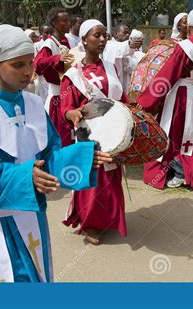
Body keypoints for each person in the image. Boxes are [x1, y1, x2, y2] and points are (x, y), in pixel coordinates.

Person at [0, 24, 112, 282]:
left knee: (40, 277)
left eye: (30, 63)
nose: (28, 72)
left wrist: (82, 159)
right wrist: (24, 176)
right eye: (17, 65)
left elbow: (50, 155)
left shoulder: (33, 103)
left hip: (31, 212)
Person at [61, 19, 127, 245]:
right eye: (96, 35)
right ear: (83, 40)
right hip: (88, 135)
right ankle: (90, 223)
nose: (102, 39)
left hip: (112, 131)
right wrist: (71, 114)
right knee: (94, 179)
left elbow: (121, 99)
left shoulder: (111, 67)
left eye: (104, 35)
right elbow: (66, 108)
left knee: (111, 177)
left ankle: (109, 219)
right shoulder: (73, 75)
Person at [137, 8, 193, 189]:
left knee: (172, 132)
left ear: (189, 24)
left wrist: (145, 102)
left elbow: (166, 77)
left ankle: (176, 172)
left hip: (179, 94)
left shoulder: (186, 47)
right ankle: (188, 173)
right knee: (189, 133)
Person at [34, 7, 74, 146]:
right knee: (60, 139)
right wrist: (57, 58)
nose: (69, 23)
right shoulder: (49, 44)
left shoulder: (66, 41)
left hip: (69, 95)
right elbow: (37, 64)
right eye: (65, 21)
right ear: (55, 24)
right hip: (57, 98)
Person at [103, 23, 143, 92]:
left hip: (126, 88)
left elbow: (132, 67)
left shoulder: (128, 49)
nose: (127, 35)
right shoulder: (109, 46)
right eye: (125, 32)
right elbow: (119, 49)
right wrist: (130, 45)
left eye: (128, 33)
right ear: (116, 34)